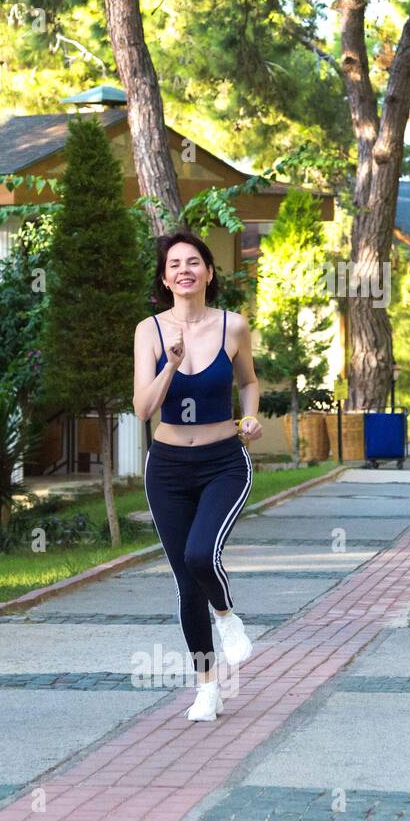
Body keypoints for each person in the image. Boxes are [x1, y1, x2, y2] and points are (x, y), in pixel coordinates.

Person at [132, 231, 263, 722]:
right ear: (165, 279)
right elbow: (144, 409)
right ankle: (207, 686)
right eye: (174, 264)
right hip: (166, 468)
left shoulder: (234, 327)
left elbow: (249, 382)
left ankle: (228, 617)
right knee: (186, 583)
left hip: (223, 462)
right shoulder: (150, 331)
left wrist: (250, 416)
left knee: (199, 554)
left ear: (208, 272)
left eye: (193, 262)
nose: (184, 270)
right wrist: (172, 365)